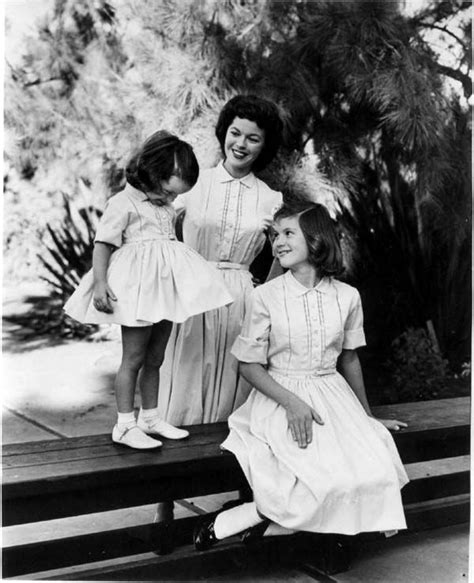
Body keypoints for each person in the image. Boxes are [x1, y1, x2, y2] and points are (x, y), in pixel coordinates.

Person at [194, 201, 409, 549]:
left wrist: (367, 417)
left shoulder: (347, 296)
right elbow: (247, 365)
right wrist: (293, 404)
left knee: (373, 470)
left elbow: (349, 359)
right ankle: (236, 521)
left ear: (317, 239)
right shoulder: (265, 296)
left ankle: (252, 521)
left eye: (288, 233)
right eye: (275, 235)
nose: (277, 242)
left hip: (333, 396)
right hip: (278, 396)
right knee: (311, 479)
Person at [64, 131, 233, 450]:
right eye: (168, 193)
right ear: (152, 173)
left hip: (164, 292)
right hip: (138, 292)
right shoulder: (122, 202)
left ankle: (150, 417)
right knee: (134, 357)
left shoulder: (165, 208)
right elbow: (103, 244)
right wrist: (100, 283)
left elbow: (166, 250)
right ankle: (125, 425)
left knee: (157, 357)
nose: (171, 201)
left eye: (174, 197)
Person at [157, 94, 284, 426]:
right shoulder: (193, 183)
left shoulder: (271, 198)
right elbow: (157, 228)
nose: (240, 144)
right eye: (235, 132)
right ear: (223, 132)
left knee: (233, 383)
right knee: (186, 376)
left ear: (264, 146)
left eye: (253, 138)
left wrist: (265, 296)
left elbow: (283, 253)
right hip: (192, 293)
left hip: (240, 299)